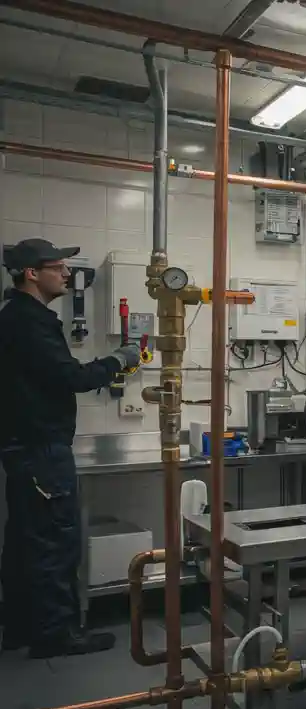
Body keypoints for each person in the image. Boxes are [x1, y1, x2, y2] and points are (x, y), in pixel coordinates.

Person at [0, 239, 141, 657]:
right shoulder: (29, 322)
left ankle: (20, 627)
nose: (66, 274)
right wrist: (119, 360)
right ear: (31, 273)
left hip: (25, 447)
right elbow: (71, 378)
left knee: (26, 540)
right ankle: (56, 635)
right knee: (54, 542)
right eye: (59, 267)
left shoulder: (17, 319)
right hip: (42, 449)